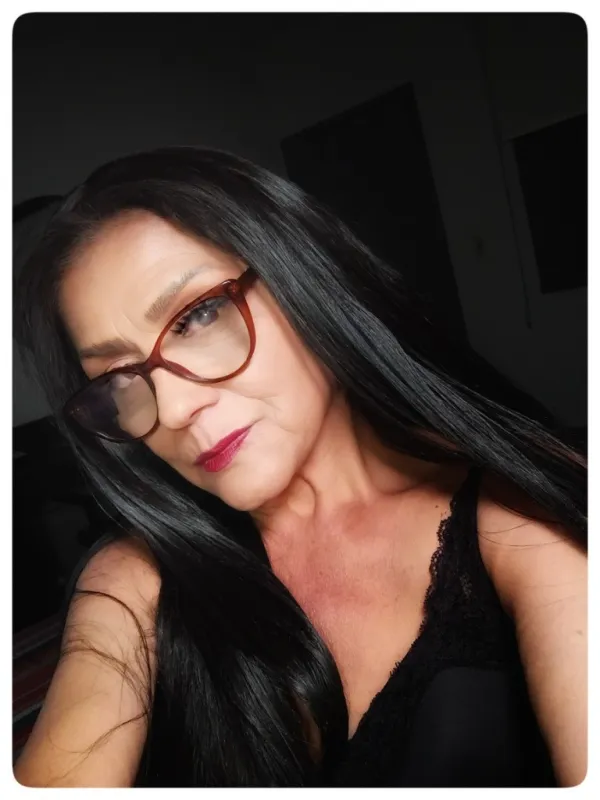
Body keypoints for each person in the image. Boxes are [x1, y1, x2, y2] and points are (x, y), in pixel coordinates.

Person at [13, 146, 587, 788]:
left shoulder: (519, 517)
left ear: (303, 275)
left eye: (198, 315)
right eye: (118, 379)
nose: (170, 409)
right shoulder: (134, 579)